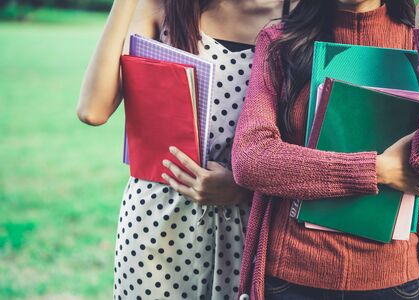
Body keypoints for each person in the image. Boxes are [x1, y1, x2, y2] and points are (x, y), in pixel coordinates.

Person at [76, 0, 297, 298]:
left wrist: (244, 188)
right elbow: (93, 109)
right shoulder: (163, 7)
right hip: (156, 227)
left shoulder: (299, 14)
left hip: (250, 228)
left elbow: (309, 143)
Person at [231, 0, 419, 299]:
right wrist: (377, 170)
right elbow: (251, 159)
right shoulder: (281, 42)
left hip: (391, 280)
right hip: (293, 277)